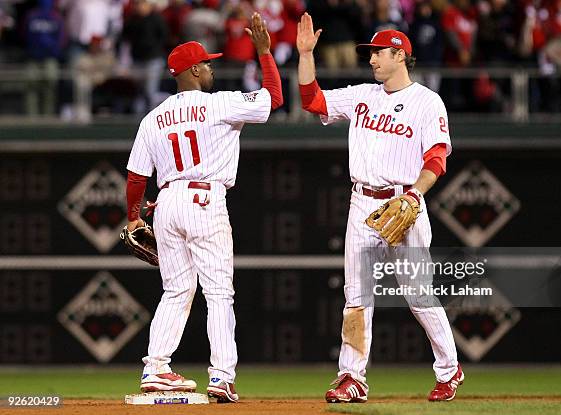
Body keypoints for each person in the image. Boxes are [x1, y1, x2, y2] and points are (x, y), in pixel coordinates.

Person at [296, 13, 463, 403]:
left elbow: (436, 158)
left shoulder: (426, 102)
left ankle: (449, 368)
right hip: (362, 204)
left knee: (418, 294)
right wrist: (306, 55)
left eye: (378, 53)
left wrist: (415, 195)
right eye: (370, 53)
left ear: (399, 55)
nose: (371, 59)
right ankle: (352, 377)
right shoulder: (361, 95)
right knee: (356, 297)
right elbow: (311, 100)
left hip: (404, 201)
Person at [124, 13, 282, 403]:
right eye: (206, 63)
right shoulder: (220, 104)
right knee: (218, 292)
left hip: (167, 202)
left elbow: (135, 177)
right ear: (194, 71)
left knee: (176, 290)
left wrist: (132, 216)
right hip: (204, 199)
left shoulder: (152, 117)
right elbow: (274, 98)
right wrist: (264, 53)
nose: (210, 67)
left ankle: (156, 367)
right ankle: (222, 376)